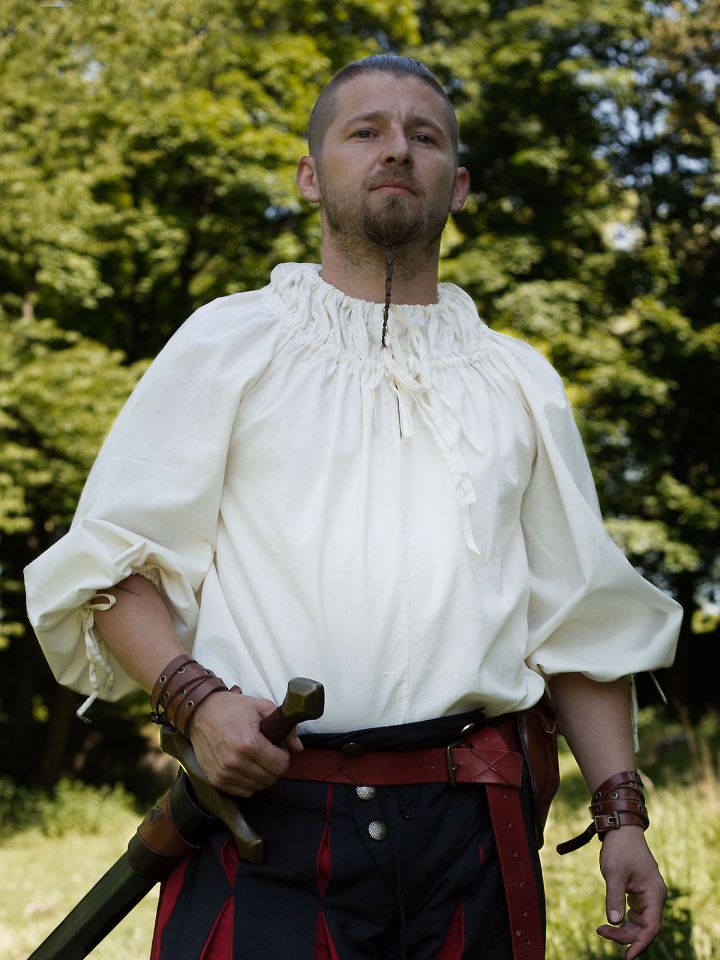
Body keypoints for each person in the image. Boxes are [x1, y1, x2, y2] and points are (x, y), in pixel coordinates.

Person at [25, 54, 681, 960]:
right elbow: (114, 568)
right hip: (267, 822)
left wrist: (622, 816)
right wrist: (198, 701)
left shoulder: (521, 382)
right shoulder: (228, 341)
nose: (397, 151)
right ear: (309, 175)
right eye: (364, 130)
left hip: (471, 838)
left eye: (424, 136)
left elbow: (578, 619)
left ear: (459, 186)